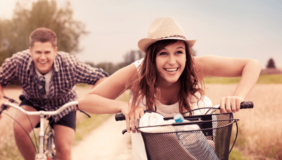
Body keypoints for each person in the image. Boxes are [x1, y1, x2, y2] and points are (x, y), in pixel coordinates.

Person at [78, 17, 262, 160]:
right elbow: (86, 102)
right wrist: (123, 107)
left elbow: (252, 64)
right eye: (163, 53)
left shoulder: (196, 67)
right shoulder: (136, 73)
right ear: (152, 57)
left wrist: (237, 97)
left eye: (178, 52)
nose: (172, 61)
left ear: (186, 54)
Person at [0, 27, 107, 160]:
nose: (42, 57)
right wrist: (1, 98)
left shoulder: (69, 64)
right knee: (19, 130)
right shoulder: (19, 61)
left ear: (55, 51)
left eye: (47, 52)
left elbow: (101, 78)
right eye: (38, 52)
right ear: (31, 51)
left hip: (65, 104)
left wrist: (87, 99)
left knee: (63, 148)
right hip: (33, 102)